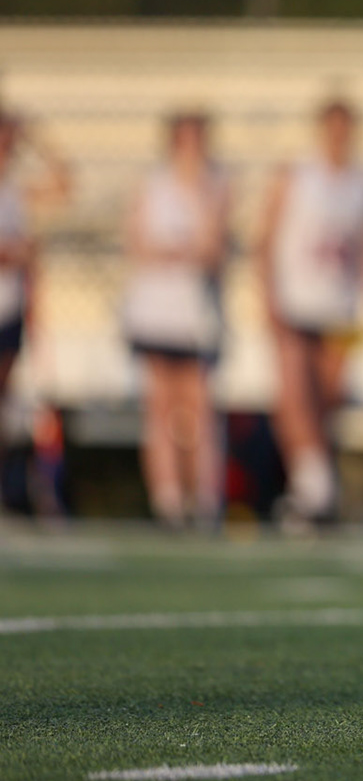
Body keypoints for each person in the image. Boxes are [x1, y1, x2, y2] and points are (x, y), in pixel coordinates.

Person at [257, 99, 363, 527]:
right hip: (296, 299)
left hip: (340, 306)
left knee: (327, 401)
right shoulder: (296, 175)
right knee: (294, 397)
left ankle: (315, 491)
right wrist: (267, 297)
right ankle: (311, 486)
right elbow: (266, 239)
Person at [122, 112, 230, 531]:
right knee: (160, 406)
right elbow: (138, 243)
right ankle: (166, 498)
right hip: (155, 310)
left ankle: (204, 498)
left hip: (196, 315)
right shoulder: (152, 184)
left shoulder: (215, 186)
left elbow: (212, 248)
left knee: (199, 406)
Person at [0, 113, 73, 413]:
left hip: (9, 304)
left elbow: (63, 186)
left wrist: (36, 140)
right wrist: (18, 253)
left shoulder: (14, 191)